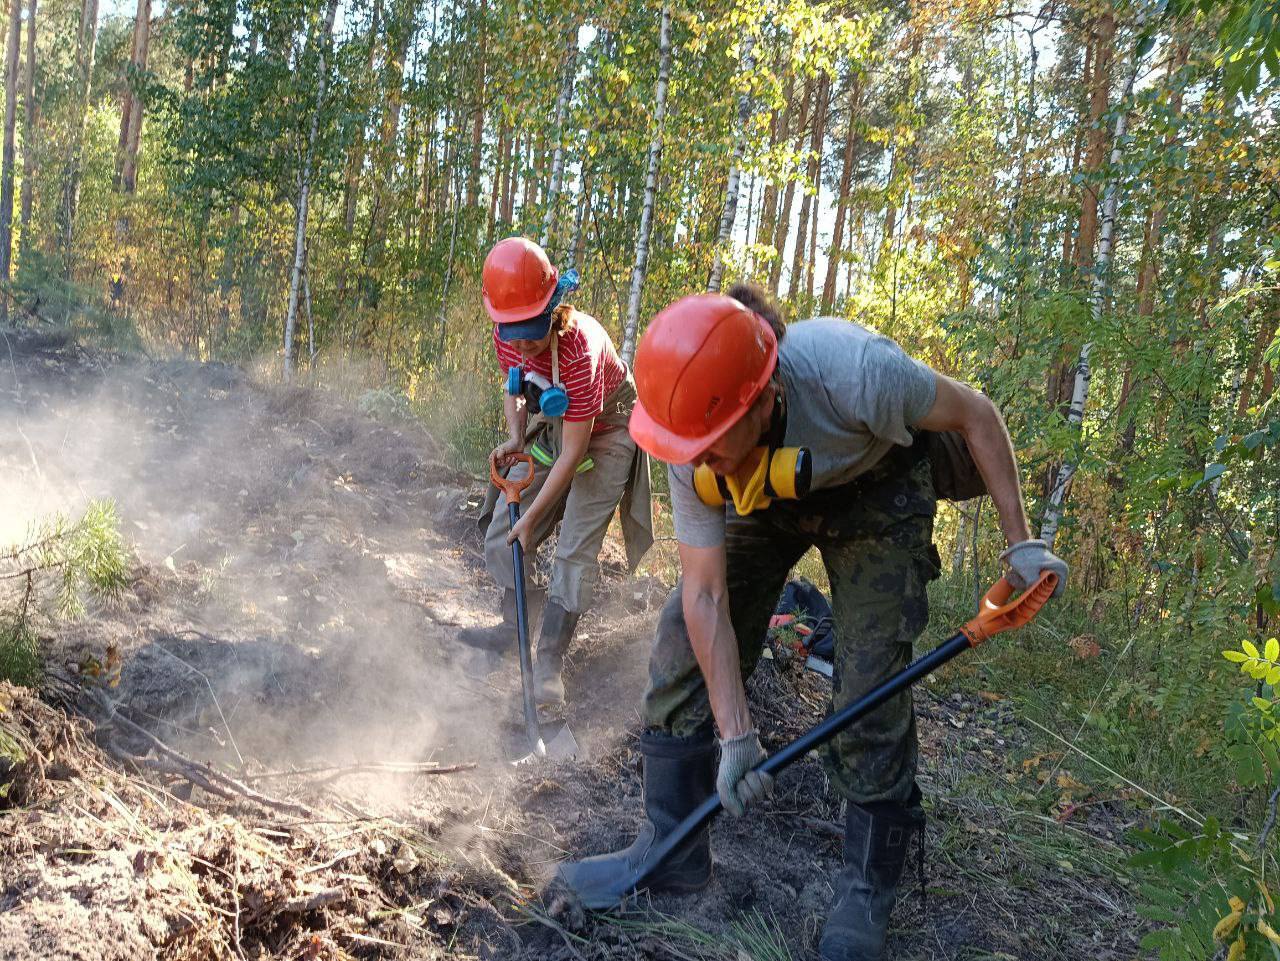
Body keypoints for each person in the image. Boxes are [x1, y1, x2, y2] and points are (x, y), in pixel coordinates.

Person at [556, 283, 1068, 960]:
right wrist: (736, 733)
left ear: (763, 396)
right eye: (689, 447)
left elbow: (978, 414)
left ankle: (867, 884)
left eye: (709, 444)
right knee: (683, 634)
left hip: (877, 486)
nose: (695, 457)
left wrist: (1021, 542)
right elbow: (707, 595)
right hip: (764, 492)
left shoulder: (860, 374)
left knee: (866, 679)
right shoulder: (690, 437)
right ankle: (670, 845)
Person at [458, 237, 651, 705]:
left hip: (608, 431)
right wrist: (515, 434)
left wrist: (534, 520)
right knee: (503, 529)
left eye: (532, 332)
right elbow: (514, 383)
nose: (522, 343)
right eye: (513, 333)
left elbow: (573, 455)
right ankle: (513, 631)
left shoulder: (580, 349)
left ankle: (547, 665)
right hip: (554, 424)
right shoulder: (507, 330)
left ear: (552, 311)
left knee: (573, 550)